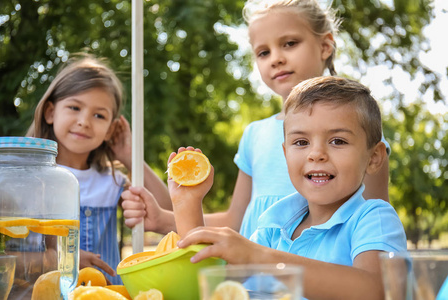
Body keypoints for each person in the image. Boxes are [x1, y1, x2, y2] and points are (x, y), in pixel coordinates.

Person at [122, 0, 391, 239]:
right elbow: (236, 222)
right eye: (263, 52)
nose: (276, 59)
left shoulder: (358, 131)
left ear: (325, 46)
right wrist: (162, 219)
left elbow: (373, 223)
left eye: (289, 43)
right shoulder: (255, 134)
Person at [173, 76, 407, 300]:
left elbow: (377, 291)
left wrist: (259, 257)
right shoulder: (272, 227)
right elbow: (214, 285)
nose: (316, 154)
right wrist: (187, 205)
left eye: (338, 141)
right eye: (301, 142)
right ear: (285, 154)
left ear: (374, 158)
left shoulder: (373, 218)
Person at [26, 54, 170, 284]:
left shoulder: (111, 183)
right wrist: (64, 259)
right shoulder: (27, 180)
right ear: (50, 112)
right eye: (74, 107)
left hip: (106, 294)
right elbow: (9, 257)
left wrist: (131, 158)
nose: (84, 121)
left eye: (99, 115)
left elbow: (166, 210)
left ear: (111, 130)